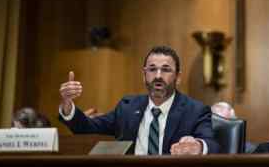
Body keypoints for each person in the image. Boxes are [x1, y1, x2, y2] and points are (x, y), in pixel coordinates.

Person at [59, 45, 219, 155]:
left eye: (166, 70)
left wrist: (197, 146)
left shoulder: (195, 110)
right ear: (144, 75)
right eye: (152, 69)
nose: (158, 75)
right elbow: (87, 127)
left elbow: (213, 145)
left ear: (178, 77)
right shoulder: (127, 107)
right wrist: (68, 105)